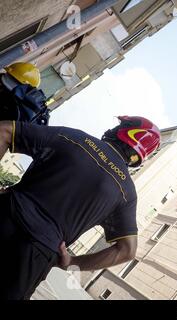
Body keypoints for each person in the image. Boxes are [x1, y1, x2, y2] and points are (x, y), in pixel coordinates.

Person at [0, 115, 160, 300]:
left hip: (6, 212)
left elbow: (4, 130)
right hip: (35, 257)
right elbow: (127, 251)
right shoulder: (126, 192)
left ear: (122, 132)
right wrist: (71, 263)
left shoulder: (73, 138)